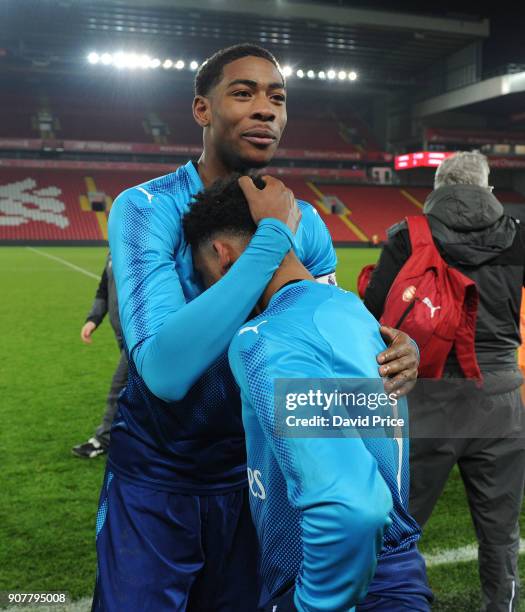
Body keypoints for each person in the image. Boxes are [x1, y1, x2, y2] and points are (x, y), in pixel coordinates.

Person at [93, 43, 420, 611]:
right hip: (158, 477)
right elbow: (164, 371)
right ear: (202, 109)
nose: (265, 109)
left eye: (278, 98)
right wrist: (269, 241)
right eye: (243, 93)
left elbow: (322, 323)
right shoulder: (148, 207)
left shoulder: (305, 220)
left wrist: (390, 345)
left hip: (257, 477)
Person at [182, 174, 433, 611]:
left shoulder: (263, 337)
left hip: (340, 583)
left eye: (205, 276)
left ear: (223, 257)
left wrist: (315, 604)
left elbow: (353, 507)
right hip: (399, 577)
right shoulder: (355, 313)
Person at [364, 151, 525, 612]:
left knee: (399, 526)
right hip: (499, 401)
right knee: (500, 532)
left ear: (438, 188)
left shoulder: (406, 236)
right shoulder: (516, 237)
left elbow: (374, 317)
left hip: (425, 398)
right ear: (487, 187)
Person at [72, 253, 128, 459]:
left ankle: (103, 440)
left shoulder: (141, 242)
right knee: (139, 389)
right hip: (121, 333)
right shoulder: (113, 250)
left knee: (119, 385)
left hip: (139, 335)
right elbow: (104, 289)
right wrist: (93, 319)